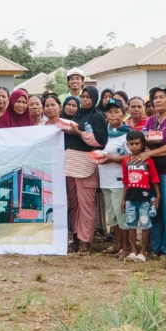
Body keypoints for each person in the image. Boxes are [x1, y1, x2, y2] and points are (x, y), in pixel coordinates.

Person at [134, 87, 166, 259]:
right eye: (155, 97)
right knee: (154, 211)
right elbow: (143, 140)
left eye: (161, 97)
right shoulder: (151, 121)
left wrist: (149, 153)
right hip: (153, 172)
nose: (157, 100)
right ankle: (156, 248)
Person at [62, 86, 106, 254]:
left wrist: (79, 133)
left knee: (86, 205)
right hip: (70, 164)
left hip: (86, 164)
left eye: (88, 97)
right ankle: (75, 239)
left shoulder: (97, 117)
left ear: (94, 99)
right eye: (83, 96)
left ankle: (85, 242)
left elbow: (100, 141)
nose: (85, 99)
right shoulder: (77, 115)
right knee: (73, 205)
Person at [94, 99, 131, 256]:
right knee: (112, 215)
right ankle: (118, 244)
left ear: (123, 113)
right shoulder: (103, 132)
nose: (113, 115)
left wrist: (112, 159)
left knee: (121, 213)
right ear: (105, 115)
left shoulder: (128, 133)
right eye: (110, 112)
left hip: (119, 179)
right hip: (105, 179)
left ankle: (127, 247)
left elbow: (132, 156)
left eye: (117, 111)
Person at [120, 129, 157, 262]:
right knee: (130, 224)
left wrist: (157, 196)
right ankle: (133, 251)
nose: (134, 146)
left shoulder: (148, 161)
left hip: (145, 199)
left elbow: (154, 179)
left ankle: (143, 251)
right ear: (127, 145)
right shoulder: (126, 162)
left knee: (145, 224)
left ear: (142, 144)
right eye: (131, 144)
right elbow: (125, 182)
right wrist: (123, 199)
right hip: (130, 198)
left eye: (137, 143)